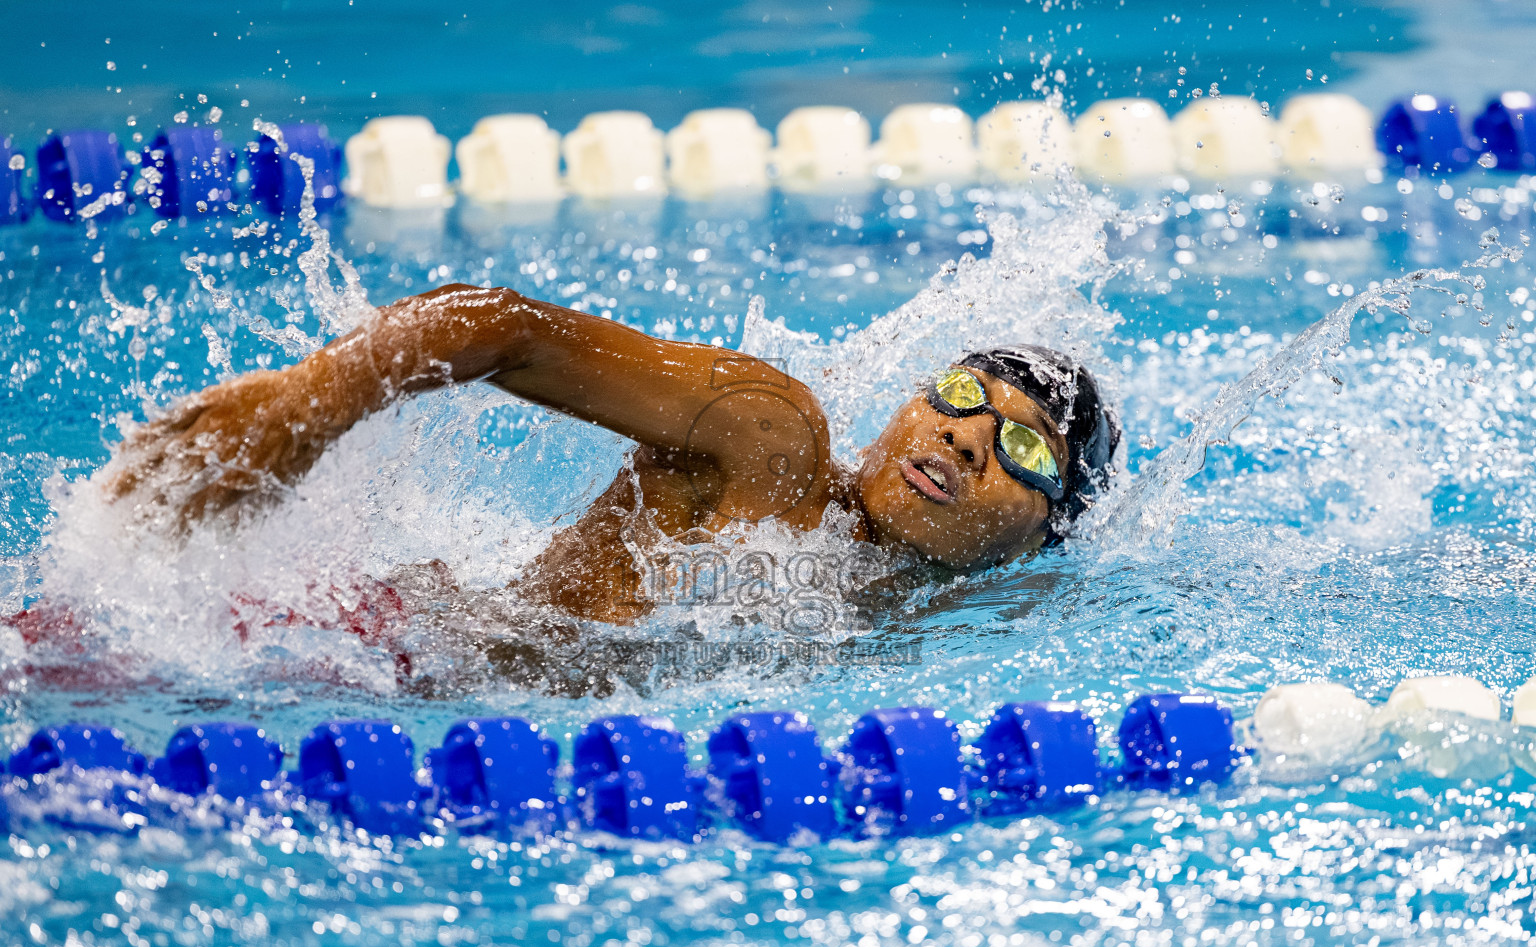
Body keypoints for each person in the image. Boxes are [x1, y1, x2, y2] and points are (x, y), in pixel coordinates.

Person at [103, 284, 1120, 625]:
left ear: (1043, 532)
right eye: (956, 397)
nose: (963, 435)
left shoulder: (940, 614)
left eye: (1022, 445)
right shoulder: (773, 441)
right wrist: (302, 414)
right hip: (373, 665)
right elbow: (504, 327)